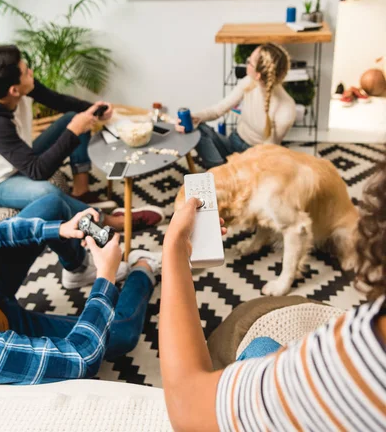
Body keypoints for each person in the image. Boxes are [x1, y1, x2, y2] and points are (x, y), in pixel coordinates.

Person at [159, 159, 386, 431]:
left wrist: (173, 250)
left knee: (248, 343)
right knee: (263, 347)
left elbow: (186, 407)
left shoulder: (363, 349)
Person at [0, 194, 161, 385]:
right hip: (3, 328)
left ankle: (78, 269)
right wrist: (105, 277)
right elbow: (82, 356)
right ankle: (143, 268)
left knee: (52, 205)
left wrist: (60, 229)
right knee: (119, 331)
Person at [0, 45, 164, 230]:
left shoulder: (15, 87)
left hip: (22, 155)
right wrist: (73, 131)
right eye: (25, 71)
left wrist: (96, 109)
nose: (31, 71)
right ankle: (108, 222)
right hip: (0, 181)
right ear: (14, 90)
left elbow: (57, 100)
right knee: (48, 193)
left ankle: (81, 192)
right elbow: (37, 171)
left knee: (77, 116)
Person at [176, 43, 296, 169]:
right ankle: (221, 173)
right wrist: (194, 118)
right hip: (234, 142)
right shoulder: (249, 82)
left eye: (249, 61)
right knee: (199, 128)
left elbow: (267, 154)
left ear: (258, 74)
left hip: (255, 160)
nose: (246, 62)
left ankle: (220, 175)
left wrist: (240, 165)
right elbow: (217, 110)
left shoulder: (286, 109)